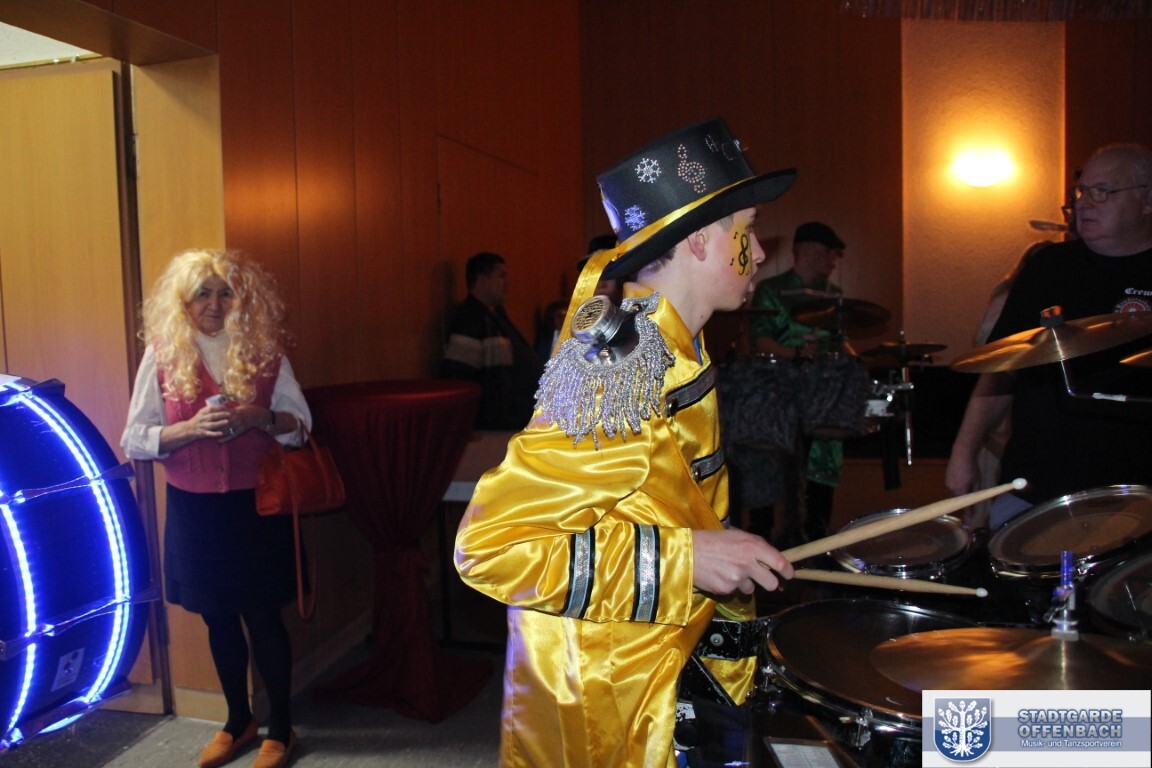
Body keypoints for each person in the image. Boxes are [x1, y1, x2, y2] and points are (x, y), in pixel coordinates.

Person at [455, 118, 797, 767]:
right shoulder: (620, 368)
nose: (758, 251)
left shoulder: (676, 345)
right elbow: (492, 546)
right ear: (699, 239)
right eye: (747, 231)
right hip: (604, 691)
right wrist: (684, 562)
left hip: (657, 657)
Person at [122, 249, 311, 768]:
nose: (214, 303)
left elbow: (300, 428)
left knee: (263, 616)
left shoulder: (266, 354)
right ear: (183, 301)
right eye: (202, 293)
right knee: (218, 618)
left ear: (242, 299)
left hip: (256, 506)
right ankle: (238, 720)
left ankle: (282, 729)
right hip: (196, 510)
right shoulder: (162, 355)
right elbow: (134, 438)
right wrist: (186, 431)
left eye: (225, 292)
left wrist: (258, 417)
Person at [946, 143, 1152, 528]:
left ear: (1146, 200)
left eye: (1102, 191)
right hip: (1038, 485)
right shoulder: (1049, 267)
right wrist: (963, 450)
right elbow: (1002, 370)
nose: (1084, 203)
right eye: (1081, 191)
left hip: (1137, 492)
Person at [747, 222, 854, 545]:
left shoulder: (832, 294)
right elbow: (760, 339)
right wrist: (794, 354)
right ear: (809, 251)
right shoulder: (771, 290)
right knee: (770, 460)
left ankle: (818, 535)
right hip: (777, 388)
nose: (833, 261)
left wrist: (857, 360)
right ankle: (763, 536)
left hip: (820, 389)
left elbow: (840, 340)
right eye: (829, 253)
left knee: (825, 451)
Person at [442, 251, 543, 430]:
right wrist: (464, 424)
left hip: (511, 419)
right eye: (501, 276)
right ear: (482, 280)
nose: (507, 283)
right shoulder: (470, 319)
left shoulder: (495, 316)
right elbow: (458, 378)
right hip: (493, 424)